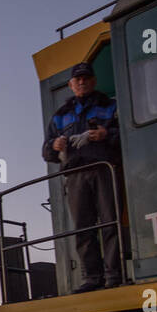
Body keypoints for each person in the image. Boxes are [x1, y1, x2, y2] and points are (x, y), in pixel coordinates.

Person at [41, 61, 124, 292]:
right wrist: (54, 145)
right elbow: (46, 152)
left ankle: (114, 275)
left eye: (86, 77)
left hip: (104, 169)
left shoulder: (111, 106)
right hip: (75, 175)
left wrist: (106, 134)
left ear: (93, 81)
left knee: (110, 222)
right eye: (77, 79)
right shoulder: (60, 116)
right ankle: (92, 278)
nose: (82, 81)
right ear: (70, 84)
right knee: (82, 229)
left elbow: (126, 132)